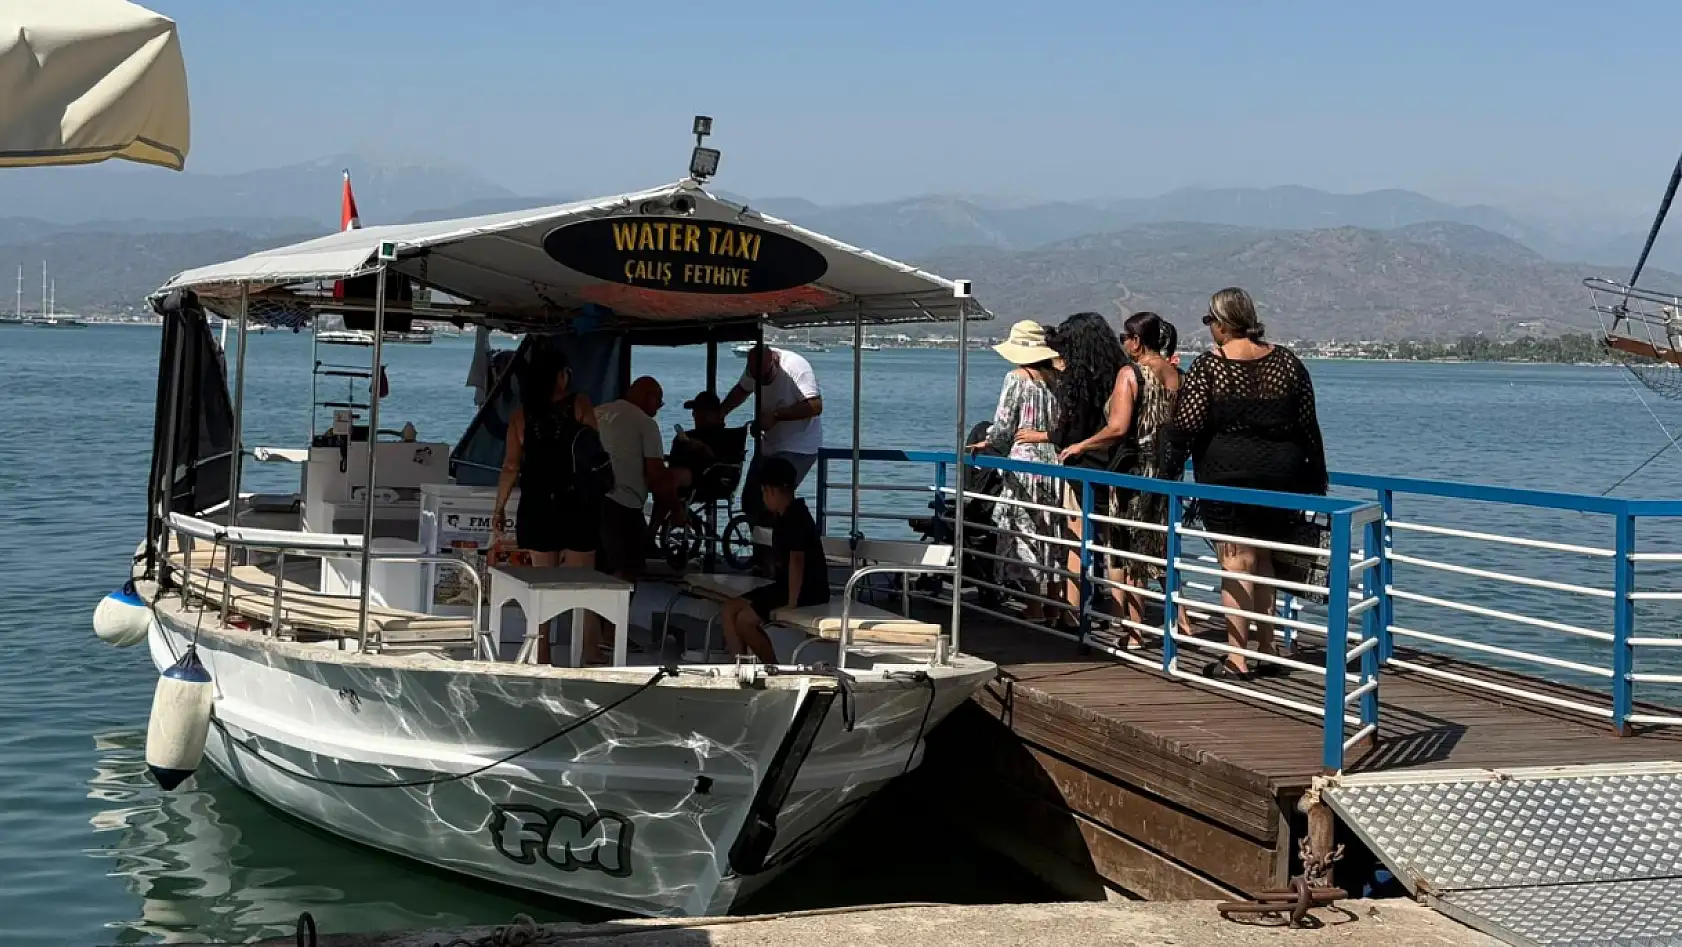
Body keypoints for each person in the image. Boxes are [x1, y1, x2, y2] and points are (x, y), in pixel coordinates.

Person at [1166, 288, 1327, 681]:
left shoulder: (1210, 366)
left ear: (1221, 323)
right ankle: (1268, 648)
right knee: (1267, 558)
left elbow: (1185, 427)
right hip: (1283, 477)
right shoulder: (1288, 362)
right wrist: (1316, 476)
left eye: (1209, 322)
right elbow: (1308, 423)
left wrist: (1168, 470)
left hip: (1228, 477)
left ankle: (1236, 657)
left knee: (1236, 561)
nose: (1209, 330)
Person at [1058, 312, 1181, 645]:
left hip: (1133, 470)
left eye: (1125, 338)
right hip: (1168, 472)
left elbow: (1117, 428)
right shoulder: (1176, 375)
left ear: (1137, 341)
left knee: (1124, 550)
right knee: (1161, 547)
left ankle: (1133, 629)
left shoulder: (1130, 374)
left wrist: (1080, 445)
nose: (1123, 344)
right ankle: (1178, 624)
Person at [491, 352, 609, 664]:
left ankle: (541, 654)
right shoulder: (580, 405)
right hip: (577, 503)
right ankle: (589, 652)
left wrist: (499, 507)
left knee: (541, 584)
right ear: (561, 376)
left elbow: (511, 465)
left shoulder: (521, 415)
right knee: (585, 583)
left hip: (537, 504)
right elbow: (594, 452)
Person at [971, 320, 1061, 622]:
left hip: (1025, 465)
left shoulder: (1017, 378)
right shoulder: (1054, 380)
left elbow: (1004, 424)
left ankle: (1034, 606)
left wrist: (989, 444)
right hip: (1054, 464)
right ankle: (1053, 605)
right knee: (1052, 535)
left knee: (1024, 536)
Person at [1045, 312, 1127, 632]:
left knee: (1076, 541)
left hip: (1081, 466)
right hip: (1116, 465)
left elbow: (1066, 431)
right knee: (1113, 545)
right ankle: (1122, 618)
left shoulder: (1076, 381)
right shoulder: (1120, 374)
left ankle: (1074, 613)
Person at [717, 457, 828, 664]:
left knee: (745, 621)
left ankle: (771, 666)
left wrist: (792, 603)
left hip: (806, 590)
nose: (763, 498)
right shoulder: (783, 516)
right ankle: (738, 664)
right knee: (729, 609)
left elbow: (797, 561)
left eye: (764, 492)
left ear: (773, 491)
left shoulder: (796, 517)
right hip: (784, 586)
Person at [720, 344, 823, 528]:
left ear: (774, 362)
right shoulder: (754, 368)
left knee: (773, 500)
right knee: (751, 500)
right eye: (756, 377)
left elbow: (815, 406)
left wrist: (776, 416)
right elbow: (742, 390)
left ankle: (782, 548)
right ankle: (760, 550)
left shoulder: (795, 367)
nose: (760, 382)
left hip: (799, 446)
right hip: (768, 445)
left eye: (765, 378)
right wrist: (721, 413)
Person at [594, 376, 679, 586]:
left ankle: (591, 619)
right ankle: (614, 619)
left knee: (594, 572)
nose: (659, 408)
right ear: (649, 397)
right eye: (659, 402)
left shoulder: (597, 412)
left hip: (587, 502)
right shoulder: (644, 423)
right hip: (622, 505)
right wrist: (676, 508)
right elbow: (656, 475)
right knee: (626, 573)